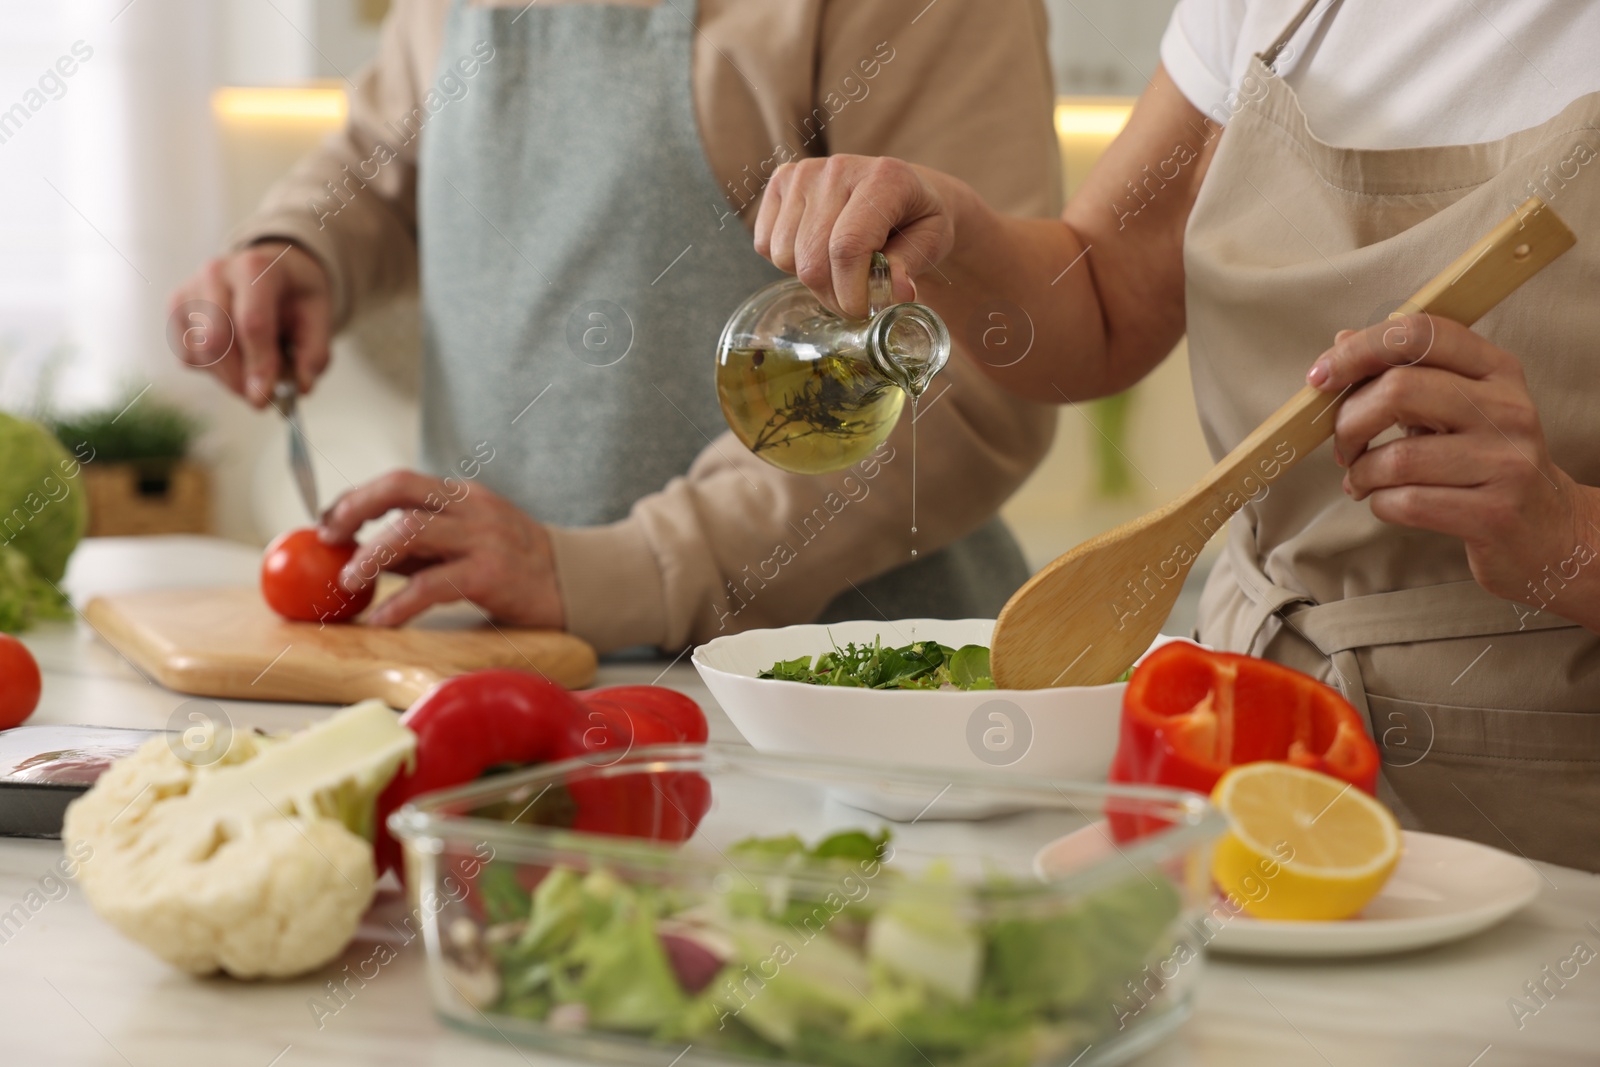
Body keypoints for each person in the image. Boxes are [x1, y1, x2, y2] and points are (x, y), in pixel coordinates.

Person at [754, 0, 1600, 871]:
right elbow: (1105, 304)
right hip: (1234, 751)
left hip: (1548, 814)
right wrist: (958, 235)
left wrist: (1570, 534)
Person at [170, 0, 1061, 653]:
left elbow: (967, 375)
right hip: (511, 674)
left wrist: (625, 570)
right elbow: (391, 145)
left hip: (839, 697)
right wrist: (298, 247)